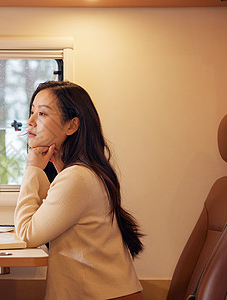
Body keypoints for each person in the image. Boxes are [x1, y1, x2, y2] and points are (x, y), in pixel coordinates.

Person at [14, 81, 144, 300]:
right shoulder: (80, 174)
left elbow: (27, 235)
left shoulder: (77, 178)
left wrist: (33, 168)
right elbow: (47, 214)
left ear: (71, 126)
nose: (30, 121)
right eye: (32, 112)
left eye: (43, 114)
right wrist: (53, 165)